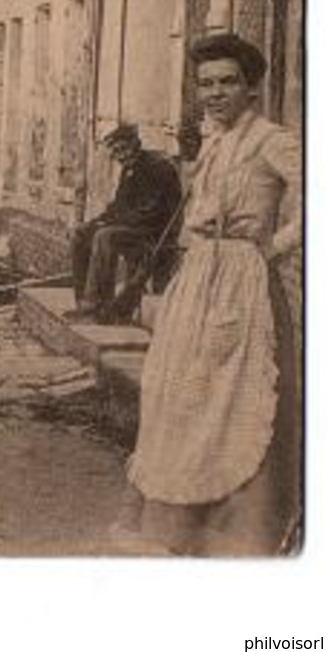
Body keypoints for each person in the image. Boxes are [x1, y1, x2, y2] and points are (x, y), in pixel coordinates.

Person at [119, 33, 302, 556]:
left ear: (251, 88)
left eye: (228, 82)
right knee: (182, 390)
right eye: (206, 84)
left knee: (235, 392)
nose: (215, 93)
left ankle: (241, 524)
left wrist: (275, 247)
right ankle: (184, 524)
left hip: (243, 277)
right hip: (199, 274)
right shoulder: (215, 141)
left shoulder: (273, 140)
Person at [67, 124, 183, 322]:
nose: (119, 157)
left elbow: (151, 212)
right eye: (115, 153)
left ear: (134, 144)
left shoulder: (158, 167)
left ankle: (95, 305)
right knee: (81, 233)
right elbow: (119, 206)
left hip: (155, 232)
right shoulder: (130, 168)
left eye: (122, 150)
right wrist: (96, 222)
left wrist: (108, 225)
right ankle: (84, 303)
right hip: (134, 228)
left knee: (105, 236)